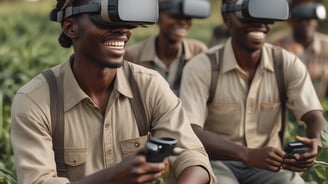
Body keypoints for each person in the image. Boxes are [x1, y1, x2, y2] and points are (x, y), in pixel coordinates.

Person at [10, 0, 216, 183]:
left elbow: (192, 155)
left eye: (126, 20)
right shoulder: (35, 100)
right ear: (71, 27)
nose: (122, 30)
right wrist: (113, 177)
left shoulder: (149, 85)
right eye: (105, 17)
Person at [179, 0, 328, 183]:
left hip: (269, 164)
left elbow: (315, 117)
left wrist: (316, 143)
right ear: (227, 19)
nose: (259, 23)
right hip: (215, 161)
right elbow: (190, 131)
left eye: (266, 15)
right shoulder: (202, 67)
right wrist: (247, 154)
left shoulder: (286, 63)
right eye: (247, 14)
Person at [124, 0, 210, 96]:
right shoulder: (133, 55)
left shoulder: (198, 52)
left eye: (188, 17)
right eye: (174, 15)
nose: (182, 22)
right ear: (157, 17)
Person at [273, 0, 328, 99]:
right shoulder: (277, 46)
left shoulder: (326, 46)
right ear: (290, 20)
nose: (308, 22)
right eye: (302, 17)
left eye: (312, 16)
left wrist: (321, 71)